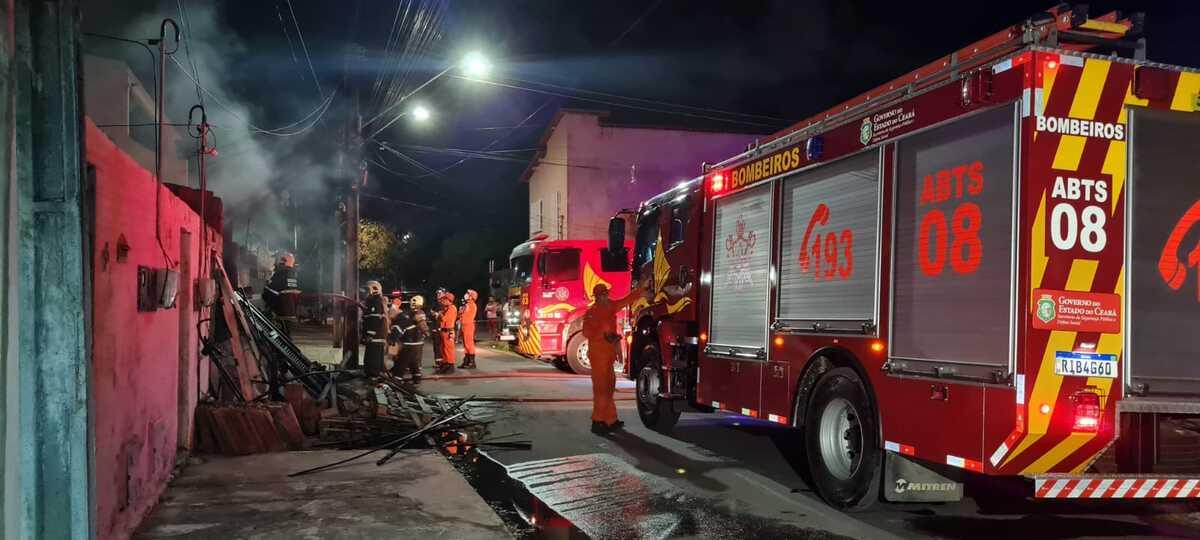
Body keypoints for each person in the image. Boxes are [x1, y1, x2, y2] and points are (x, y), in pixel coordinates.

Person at [582, 281, 643, 435]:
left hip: (606, 354)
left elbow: (626, 300)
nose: (606, 296)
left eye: (606, 293)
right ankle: (598, 422)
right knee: (602, 389)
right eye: (603, 294)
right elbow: (587, 332)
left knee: (608, 387)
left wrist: (642, 290)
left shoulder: (608, 307)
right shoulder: (593, 312)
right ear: (598, 296)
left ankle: (610, 420)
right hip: (598, 354)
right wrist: (604, 336)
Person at [391, 294, 429, 383]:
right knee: (414, 363)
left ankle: (396, 379)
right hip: (418, 344)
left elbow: (398, 329)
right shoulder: (421, 313)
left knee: (401, 363)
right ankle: (417, 378)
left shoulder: (404, 315)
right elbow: (424, 330)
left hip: (408, 344)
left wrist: (392, 340)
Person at [264, 252, 301, 336]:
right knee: (286, 334)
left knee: (279, 335)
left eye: (277, 261)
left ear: (283, 262)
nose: (275, 263)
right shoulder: (293, 275)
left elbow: (270, 293)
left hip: (279, 311)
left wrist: (266, 284)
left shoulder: (281, 274)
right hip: (290, 311)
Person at [361, 280, 388, 377]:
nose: (364, 293)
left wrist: (369, 334)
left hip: (375, 337)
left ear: (374, 290)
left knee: (372, 360)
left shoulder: (375, 302)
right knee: (374, 359)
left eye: (366, 290)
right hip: (377, 337)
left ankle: (374, 377)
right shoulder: (375, 302)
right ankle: (377, 375)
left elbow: (374, 319)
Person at [435, 292, 458, 374]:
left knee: (449, 349)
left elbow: (444, 319)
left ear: (449, 300)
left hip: (448, 331)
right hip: (444, 331)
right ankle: (445, 363)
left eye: (444, 299)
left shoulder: (452, 308)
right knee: (443, 349)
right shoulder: (446, 308)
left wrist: (439, 314)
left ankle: (450, 365)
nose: (443, 301)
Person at [458, 289, 479, 369]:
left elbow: (467, 315)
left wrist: (463, 309)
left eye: (467, 293)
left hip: (468, 325)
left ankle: (472, 362)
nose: (465, 294)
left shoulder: (472, 305)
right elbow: (460, 315)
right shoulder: (466, 305)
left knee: (469, 344)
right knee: (465, 344)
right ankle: (466, 361)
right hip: (464, 325)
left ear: (471, 296)